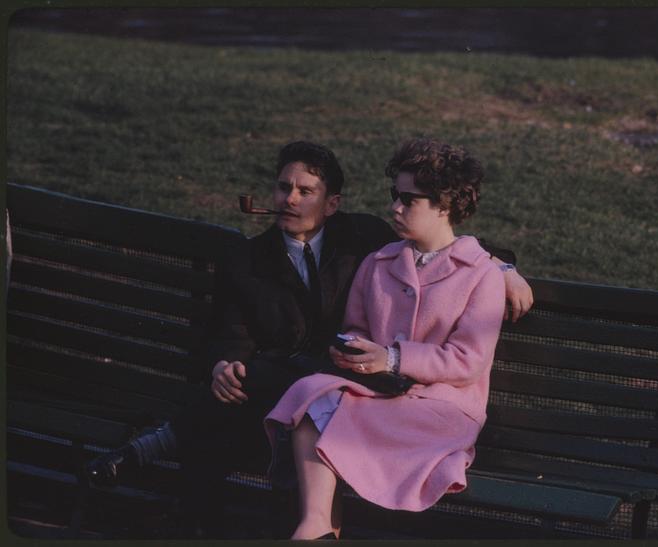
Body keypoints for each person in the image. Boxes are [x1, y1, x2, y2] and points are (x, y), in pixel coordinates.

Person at [85, 141, 532, 538]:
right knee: (280, 391)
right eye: (283, 188)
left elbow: (456, 254)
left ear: (332, 203)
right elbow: (234, 329)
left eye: (305, 192)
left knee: (295, 394)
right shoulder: (263, 257)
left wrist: (504, 269)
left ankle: (161, 451)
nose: (289, 200)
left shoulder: (365, 240)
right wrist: (225, 364)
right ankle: (310, 527)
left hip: (400, 392)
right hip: (333, 380)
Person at [264, 138, 507, 539]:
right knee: (312, 393)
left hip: (442, 407)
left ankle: (319, 529)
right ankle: (316, 524)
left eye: (409, 200)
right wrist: (354, 353)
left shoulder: (481, 274)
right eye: (396, 195)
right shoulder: (379, 262)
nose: (395, 207)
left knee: (334, 415)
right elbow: (357, 328)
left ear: (445, 205)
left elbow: (468, 362)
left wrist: (392, 358)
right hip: (380, 393)